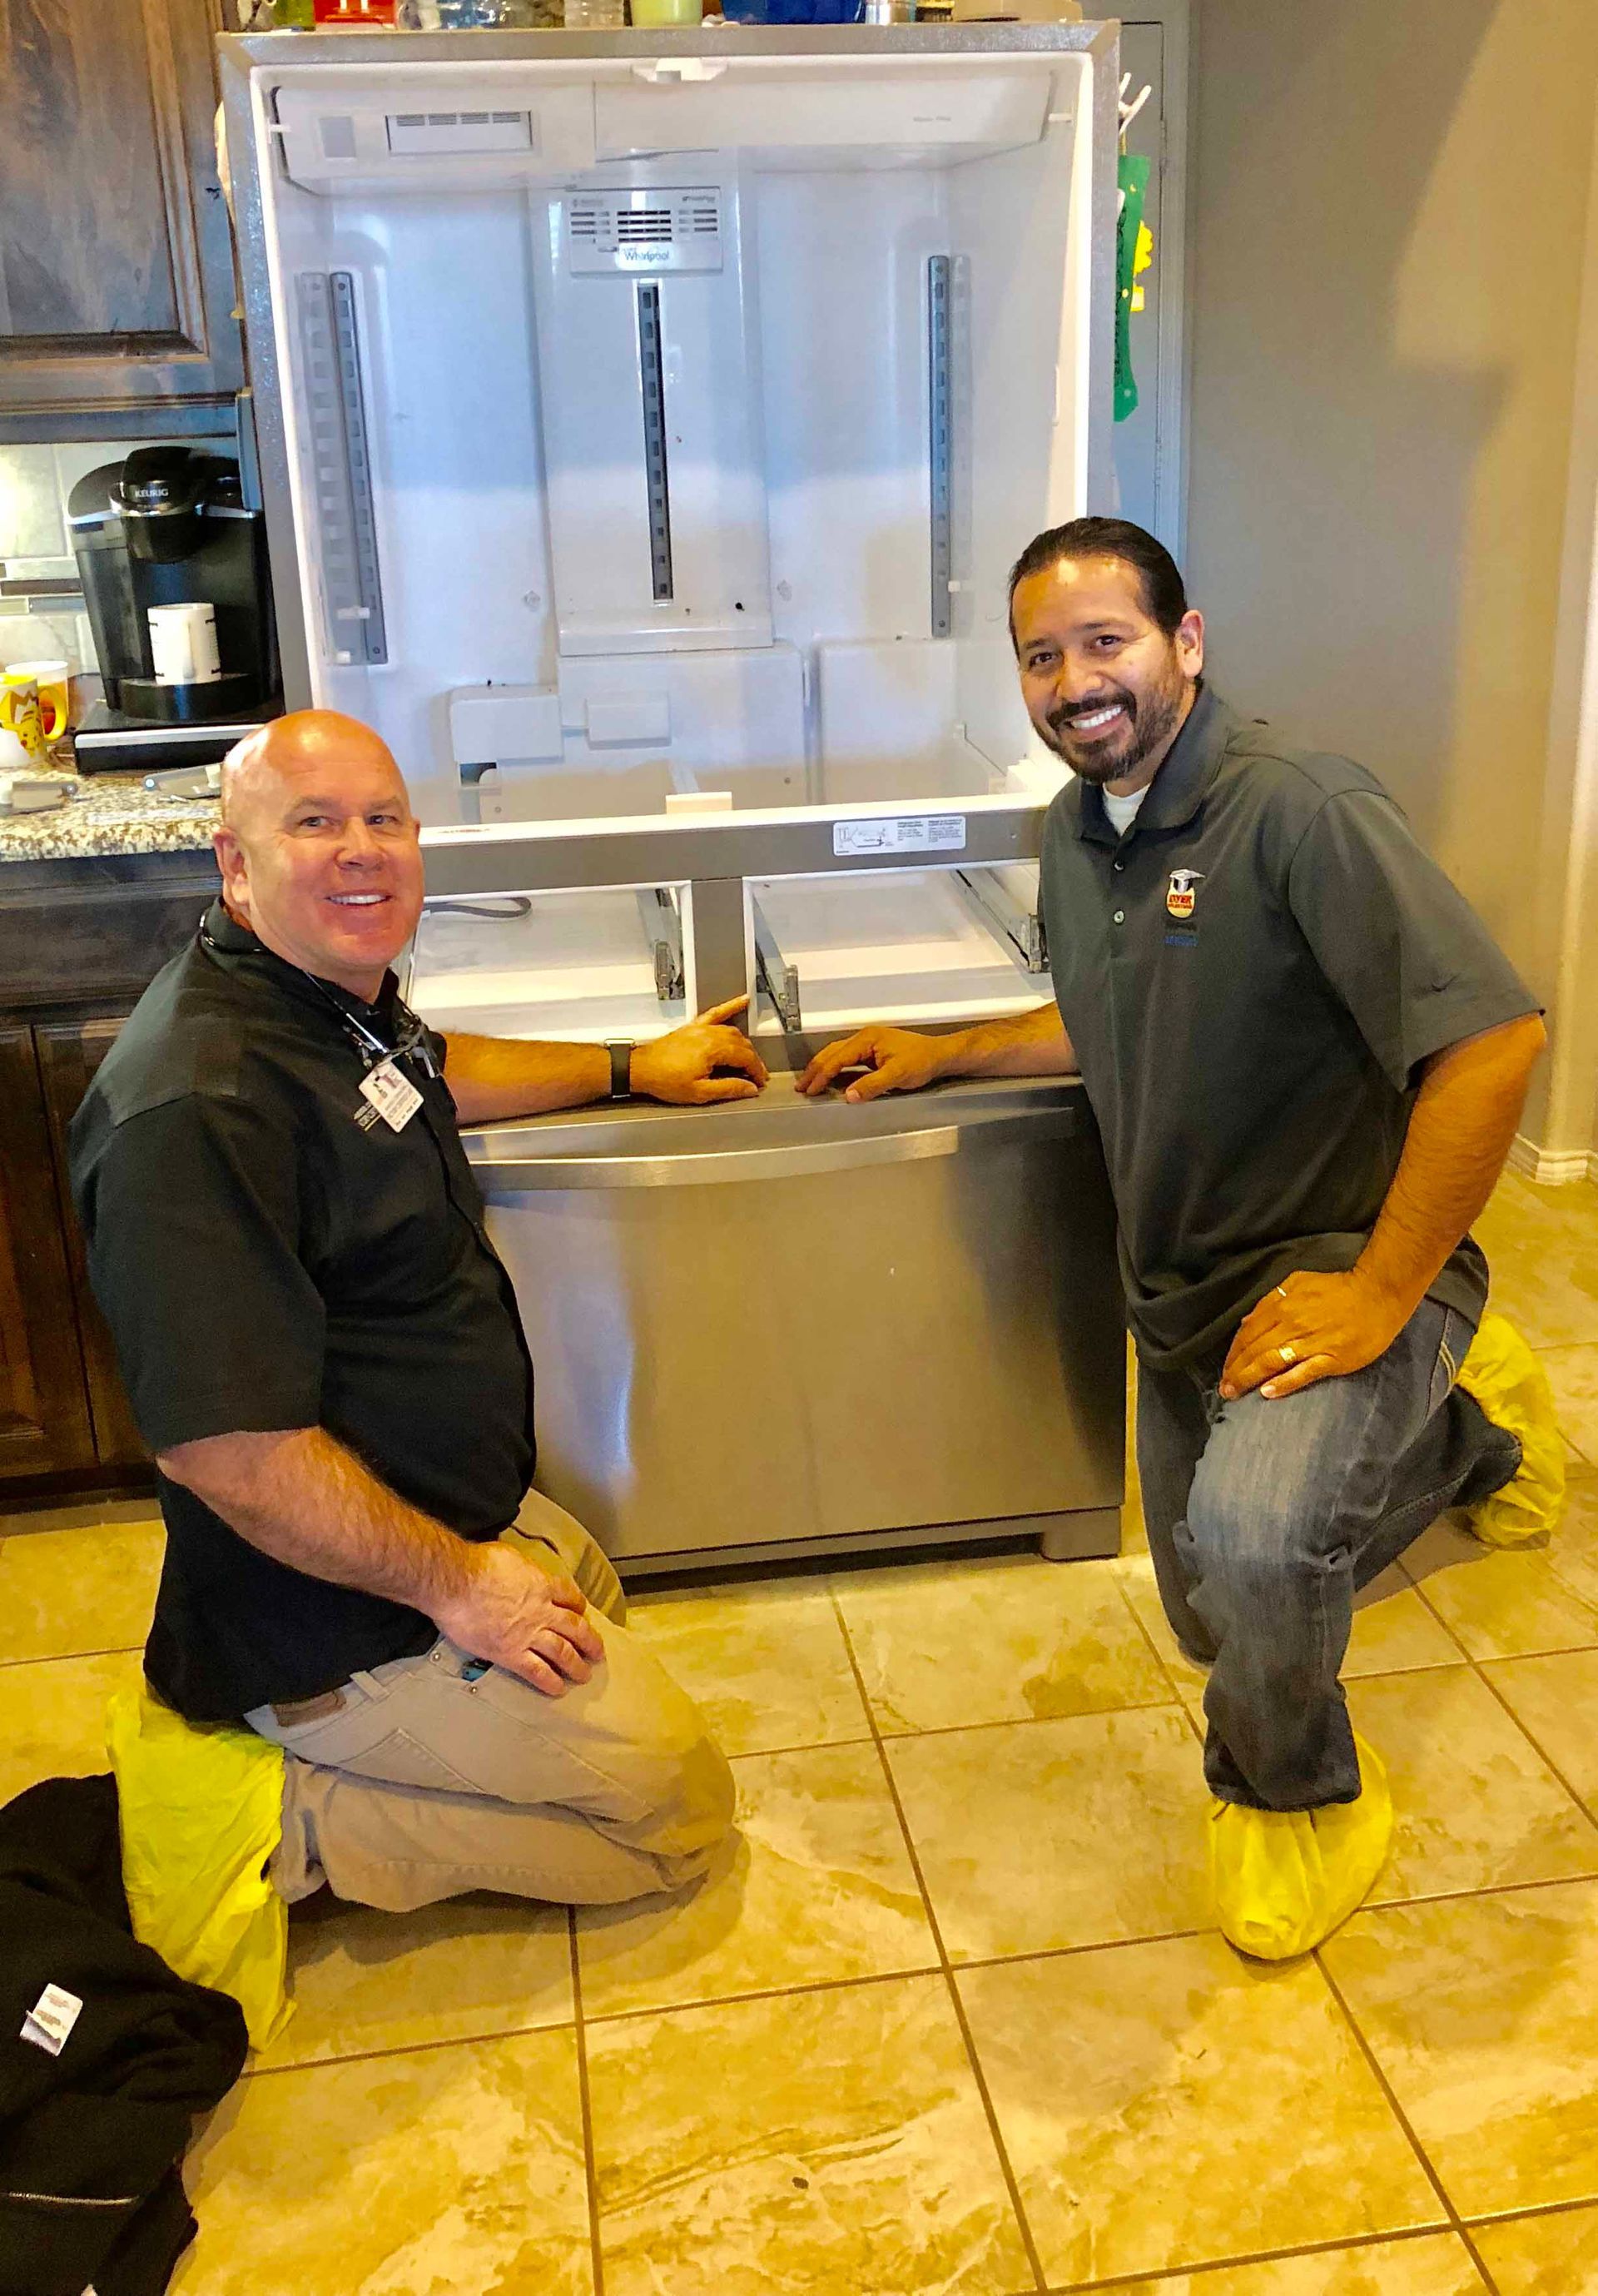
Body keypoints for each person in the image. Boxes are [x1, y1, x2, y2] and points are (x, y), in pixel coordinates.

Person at [800, 515, 1563, 1961]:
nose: (1077, 681)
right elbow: (1113, 1014)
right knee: (1215, 1612)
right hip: (1185, 1291)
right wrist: (945, 1051)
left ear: (1185, 645)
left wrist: (1381, 1291)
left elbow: (1495, 1042)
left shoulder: (1300, 810)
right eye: (1043, 656)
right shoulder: (1077, 831)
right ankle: (1469, 1437)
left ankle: (1295, 1798)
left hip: (1331, 1266)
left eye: (1108, 642)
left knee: (1263, 1539)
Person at [70, 708, 767, 1916]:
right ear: (234, 866)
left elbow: (425, 1072)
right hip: (329, 1621)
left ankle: (454, 1681)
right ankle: (297, 1819)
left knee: (590, 1589)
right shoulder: (193, 1109)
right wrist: (461, 1587)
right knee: (680, 1821)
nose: (361, 849)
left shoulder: (323, 997)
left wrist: (625, 1064)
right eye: (315, 823)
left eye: (383, 818)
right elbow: (226, 1454)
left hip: (442, 1511)